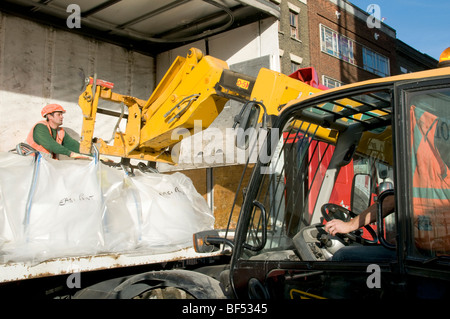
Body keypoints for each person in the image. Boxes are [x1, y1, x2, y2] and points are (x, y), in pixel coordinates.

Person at [324, 194, 396, 262]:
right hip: (402, 251)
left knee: (341, 255)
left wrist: (348, 226)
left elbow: (389, 202)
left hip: (402, 257)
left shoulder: (404, 190)